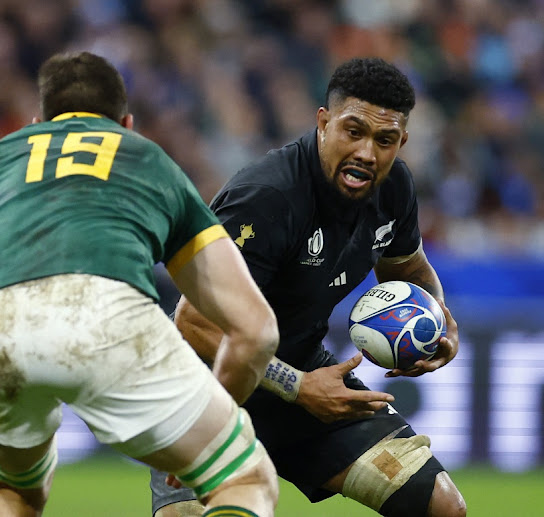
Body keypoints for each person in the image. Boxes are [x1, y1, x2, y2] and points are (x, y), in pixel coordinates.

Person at [0, 51, 282, 517]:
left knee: (12, 492)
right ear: (127, 123)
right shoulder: (147, 160)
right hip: (103, 311)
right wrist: (203, 433)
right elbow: (256, 331)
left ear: (38, 122)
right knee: (245, 477)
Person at [151, 57, 467, 517]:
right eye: (353, 131)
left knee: (443, 507)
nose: (366, 152)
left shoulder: (394, 187)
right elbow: (194, 323)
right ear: (323, 123)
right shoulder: (266, 197)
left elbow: (409, 267)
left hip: (301, 374)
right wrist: (298, 387)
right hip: (207, 386)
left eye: (384, 140)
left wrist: (439, 318)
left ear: (401, 142)